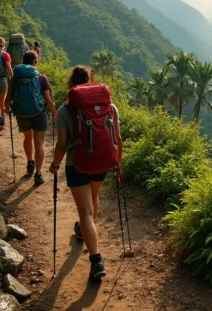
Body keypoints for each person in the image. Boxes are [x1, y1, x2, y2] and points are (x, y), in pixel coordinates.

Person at [49, 66, 122, 281]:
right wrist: (118, 162)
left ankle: (96, 260)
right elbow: (117, 139)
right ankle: (83, 232)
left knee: (86, 212)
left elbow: (62, 145)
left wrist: (54, 165)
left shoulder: (65, 110)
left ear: (71, 84)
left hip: (77, 165)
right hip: (103, 163)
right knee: (93, 199)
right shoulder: (110, 107)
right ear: (91, 81)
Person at [5, 51, 56, 185]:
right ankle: (38, 173)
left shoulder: (15, 77)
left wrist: (7, 109)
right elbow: (48, 100)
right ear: (35, 62)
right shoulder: (41, 77)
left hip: (22, 113)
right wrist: (54, 114)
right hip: (39, 113)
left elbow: (8, 97)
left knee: (28, 137)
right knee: (39, 143)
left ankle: (30, 162)